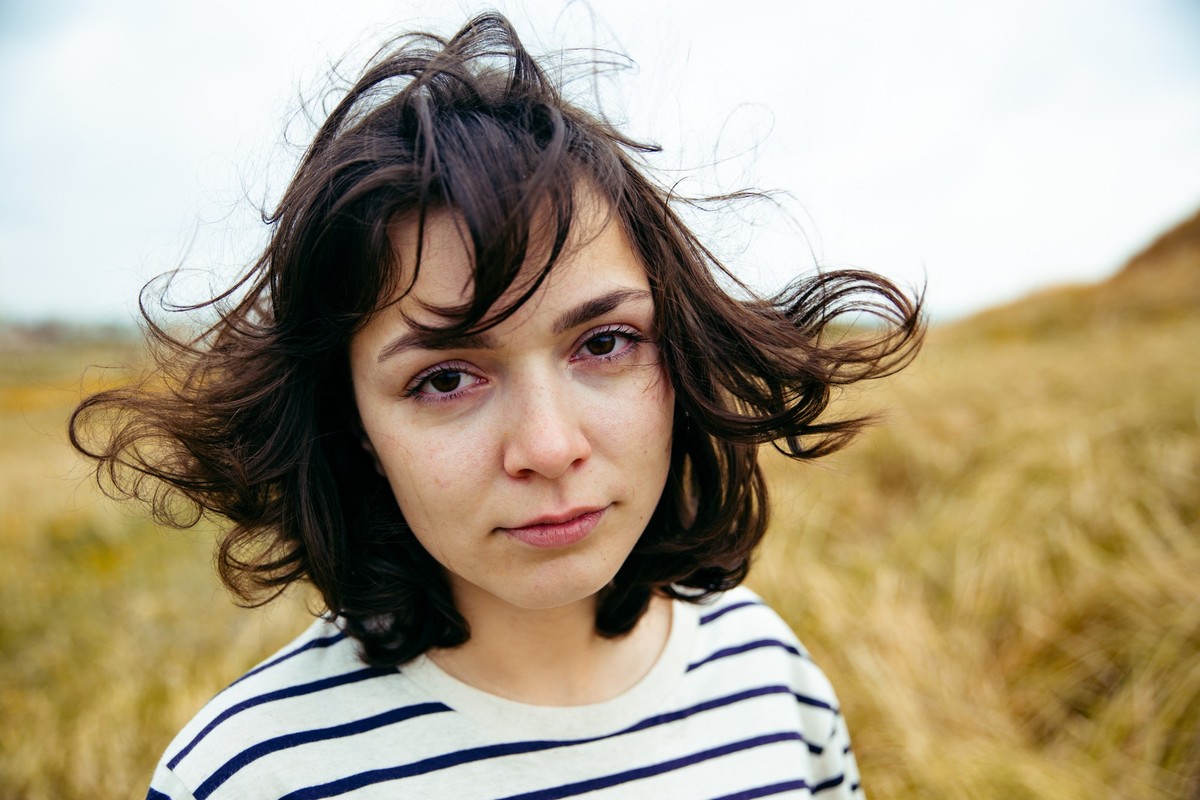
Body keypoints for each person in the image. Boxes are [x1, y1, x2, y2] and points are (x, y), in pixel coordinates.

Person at [71, 12, 921, 799]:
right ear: (355, 426)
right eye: (445, 379)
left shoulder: (769, 676)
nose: (549, 448)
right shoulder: (248, 774)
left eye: (606, 343)